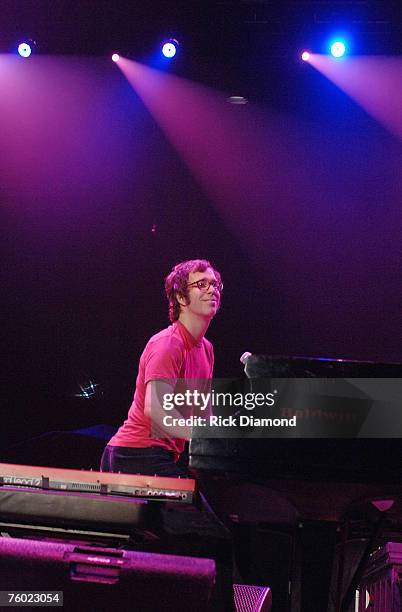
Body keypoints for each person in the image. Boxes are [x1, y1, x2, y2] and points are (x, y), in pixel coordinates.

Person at [100, 258, 222, 477]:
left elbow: (203, 416)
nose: (212, 289)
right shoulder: (168, 343)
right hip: (134, 454)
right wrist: (204, 436)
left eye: (215, 284)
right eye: (202, 284)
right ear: (181, 297)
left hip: (158, 456)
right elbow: (156, 410)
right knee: (192, 509)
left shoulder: (207, 349)